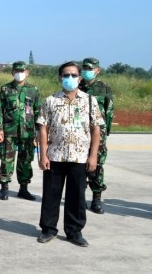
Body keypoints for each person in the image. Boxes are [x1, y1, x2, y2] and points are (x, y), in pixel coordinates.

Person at [36, 61, 103, 247]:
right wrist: (43, 154)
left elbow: (96, 129)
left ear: (80, 78)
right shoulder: (51, 101)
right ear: (60, 78)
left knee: (77, 196)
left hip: (80, 157)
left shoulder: (90, 101)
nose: (70, 78)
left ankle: (74, 231)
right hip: (55, 155)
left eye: (74, 75)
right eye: (66, 75)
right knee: (51, 194)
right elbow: (43, 128)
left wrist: (93, 156)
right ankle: (48, 229)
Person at [0, 61, 41, 201]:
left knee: (25, 160)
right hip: (9, 130)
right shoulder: (5, 89)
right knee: (6, 159)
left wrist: (38, 130)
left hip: (28, 132)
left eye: (22, 71)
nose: (19, 73)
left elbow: (38, 111)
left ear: (27, 72)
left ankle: (24, 188)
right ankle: (4, 188)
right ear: (12, 72)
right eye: (16, 71)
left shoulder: (33, 90)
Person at [78, 57, 114, 214]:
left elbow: (110, 111)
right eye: (84, 68)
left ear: (97, 70)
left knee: (96, 166)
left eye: (90, 68)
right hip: (79, 132)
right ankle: (80, 199)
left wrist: (106, 131)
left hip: (98, 133)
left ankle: (96, 199)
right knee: (78, 166)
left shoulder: (104, 88)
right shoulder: (76, 86)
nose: (86, 71)